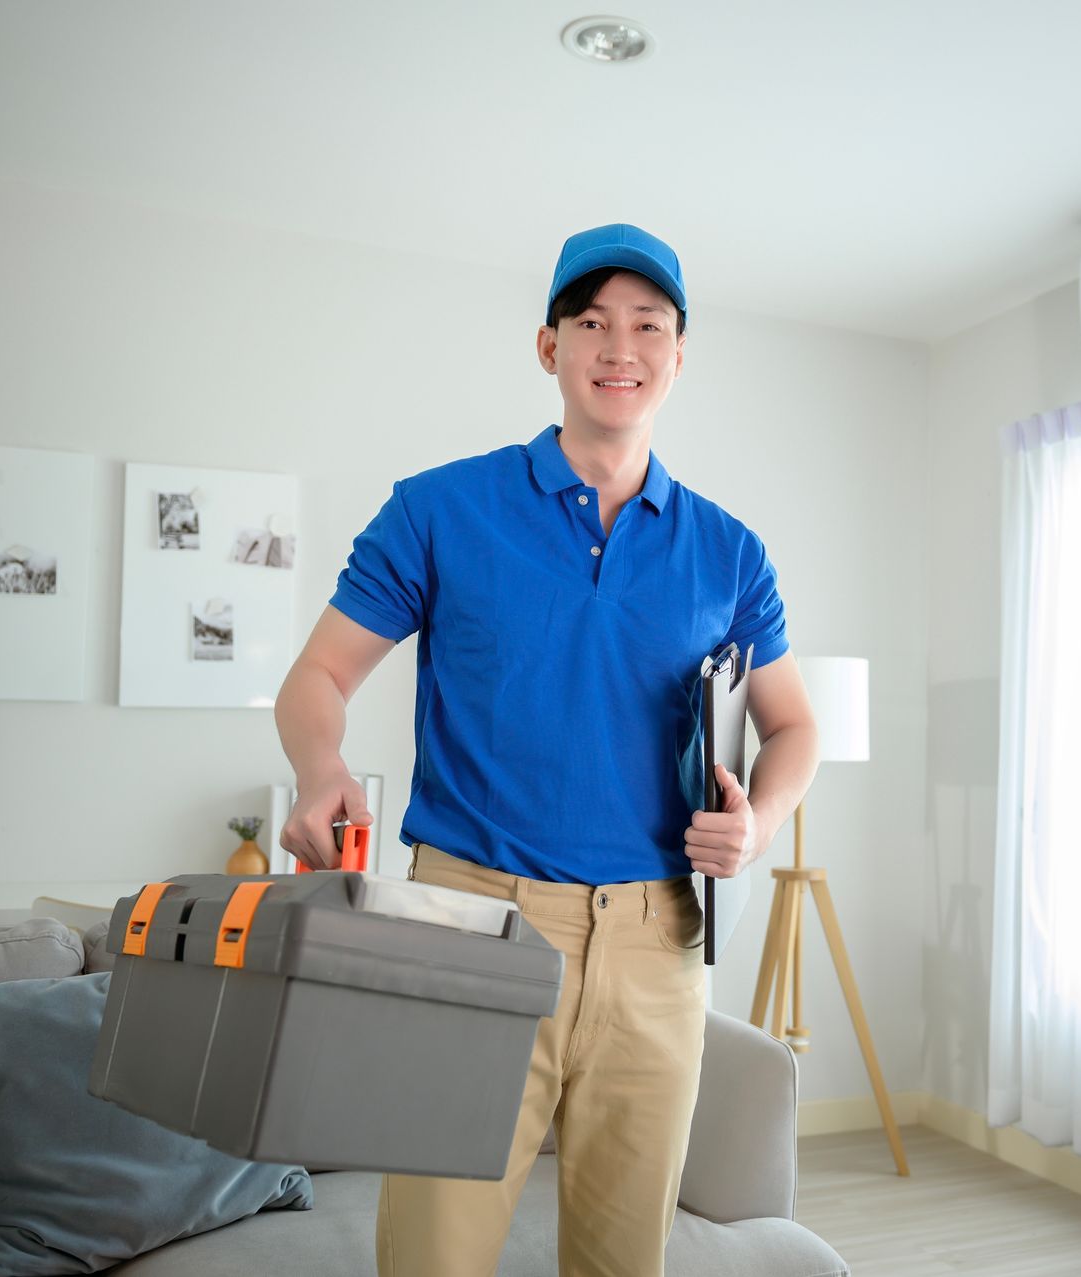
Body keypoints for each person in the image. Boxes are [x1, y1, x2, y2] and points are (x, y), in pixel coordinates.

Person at [272, 223, 820, 1277]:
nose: (621, 345)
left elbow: (792, 724)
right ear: (549, 346)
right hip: (474, 920)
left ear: (678, 351)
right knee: (437, 1254)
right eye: (593, 322)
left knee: (625, 1260)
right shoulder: (439, 509)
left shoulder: (730, 551)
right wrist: (321, 770)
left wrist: (760, 815)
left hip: (660, 943)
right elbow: (319, 676)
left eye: (647, 325)